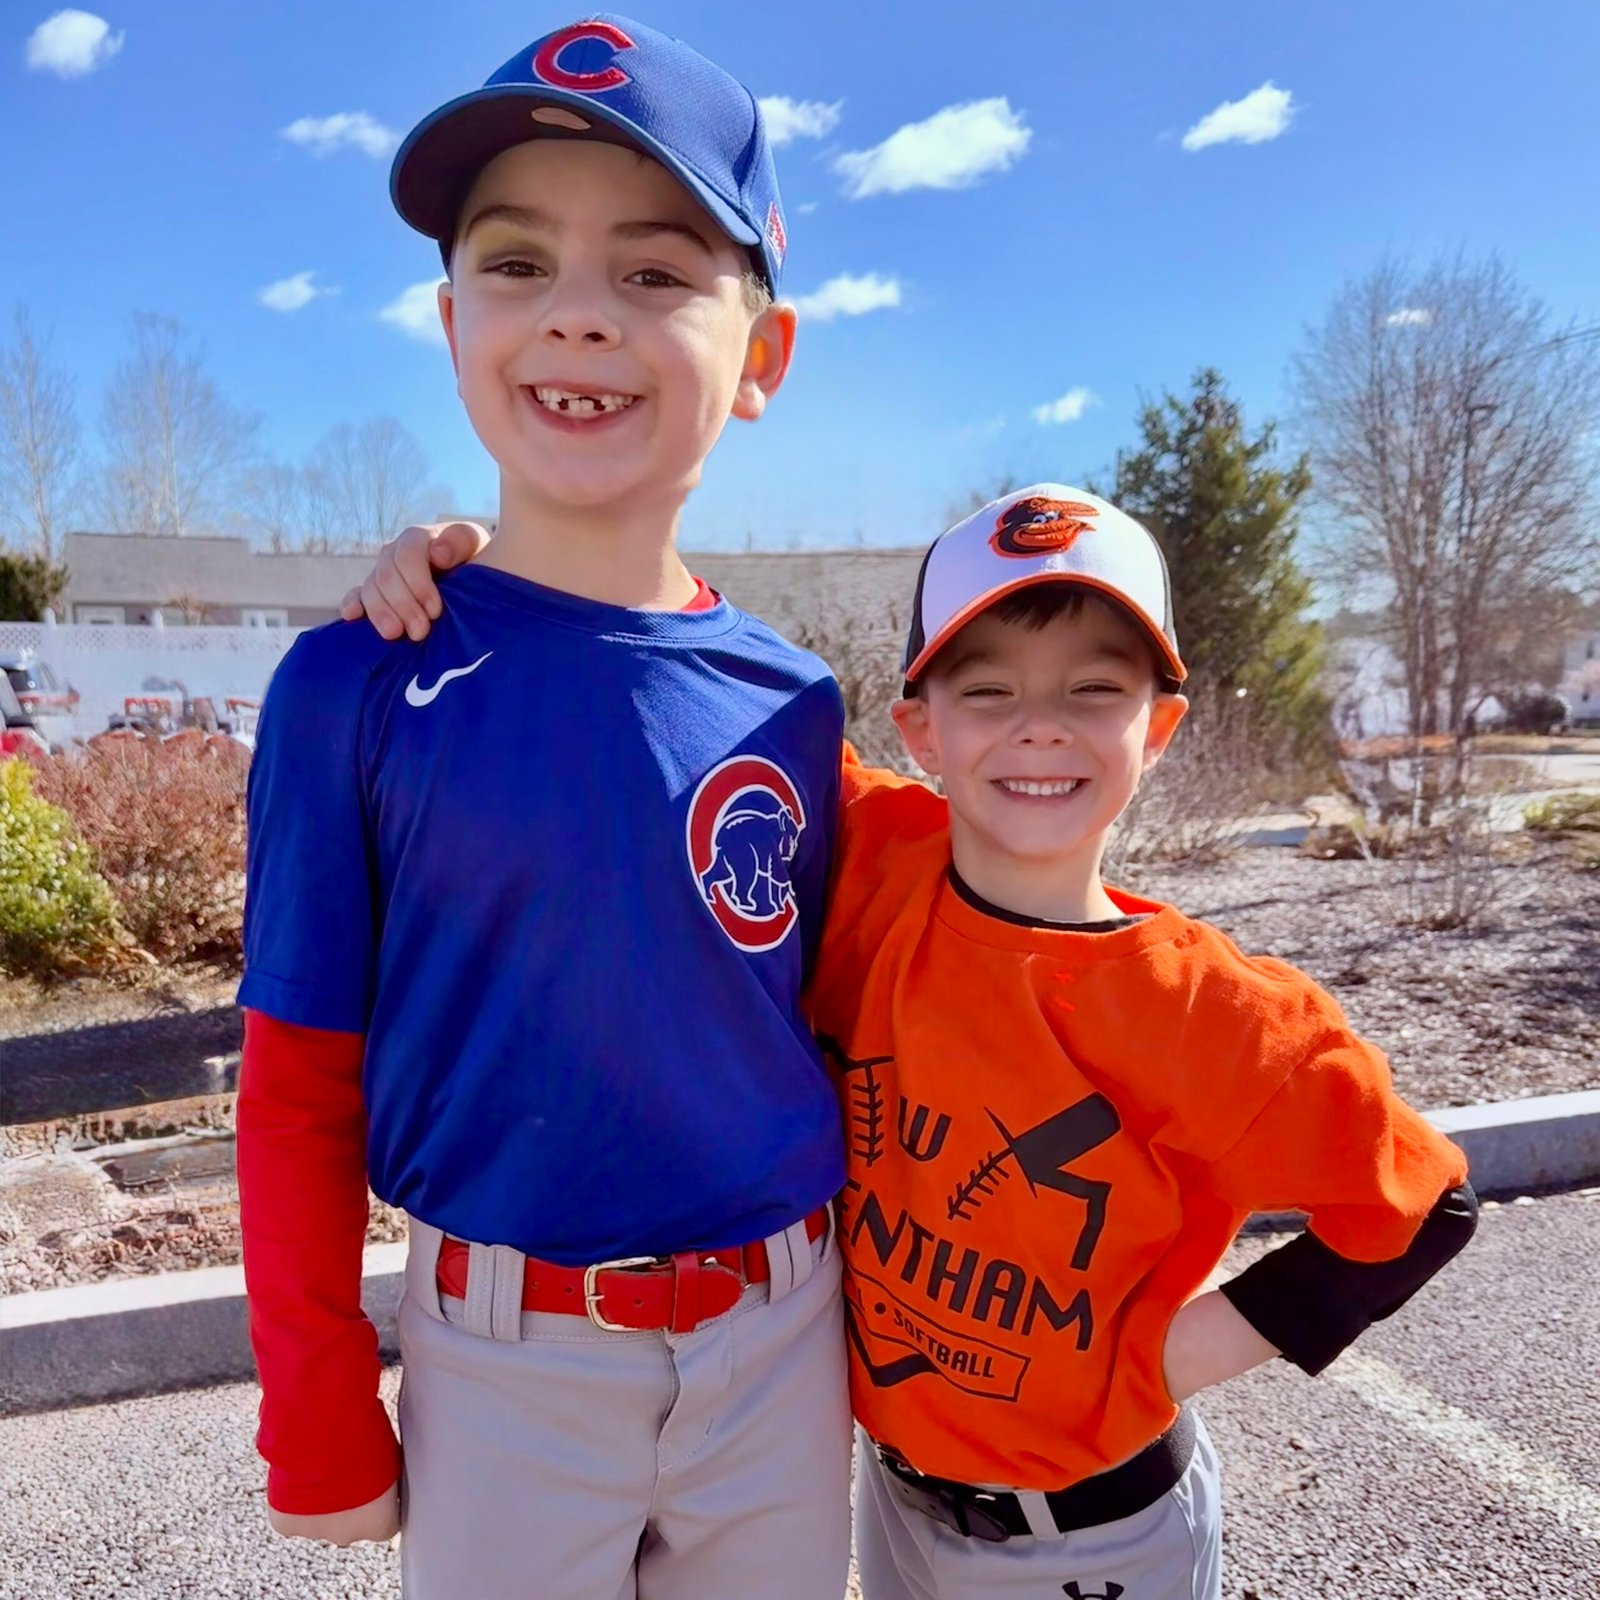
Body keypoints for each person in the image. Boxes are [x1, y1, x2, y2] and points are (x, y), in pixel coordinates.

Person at [352, 483, 1478, 1599]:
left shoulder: (1212, 1011)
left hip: (1091, 1536)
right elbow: (672, 669)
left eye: (1095, 688)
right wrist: (514, 559)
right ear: (919, 727)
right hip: (892, 1503)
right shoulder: (875, 856)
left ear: (1160, 725)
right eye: (988, 689)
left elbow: (1425, 1206)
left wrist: (1162, 1361)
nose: (1041, 724)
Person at [237, 17, 852, 1599]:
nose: (579, 313)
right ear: (453, 325)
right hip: (501, 1360)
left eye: (655, 272)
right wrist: (315, 1411)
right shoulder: (355, 681)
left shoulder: (800, 705)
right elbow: (297, 1090)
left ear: (762, 358)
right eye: (517, 263)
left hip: (789, 1342)